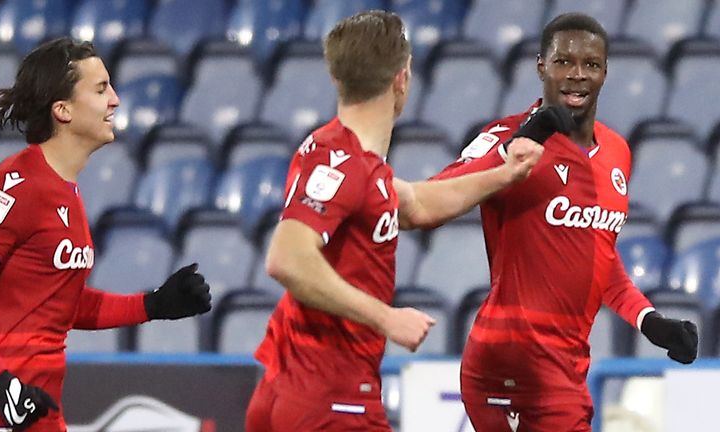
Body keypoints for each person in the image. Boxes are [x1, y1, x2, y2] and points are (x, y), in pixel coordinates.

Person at [244, 10, 572, 431]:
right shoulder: (343, 163)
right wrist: (386, 317)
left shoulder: (342, 154)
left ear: (336, 78)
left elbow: (416, 203)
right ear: (403, 78)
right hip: (331, 399)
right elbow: (287, 258)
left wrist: (505, 174)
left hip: (291, 388)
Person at [431, 13, 699, 431]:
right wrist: (518, 144)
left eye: (590, 65)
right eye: (563, 62)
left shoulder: (617, 153)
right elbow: (437, 193)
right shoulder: (509, 135)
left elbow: (598, 257)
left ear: (606, 72)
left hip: (564, 365)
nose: (577, 76)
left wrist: (649, 321)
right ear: (541, 66)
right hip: (512, 360)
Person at [0, 38, 212, 431]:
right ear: (63, 110)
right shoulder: (19, 183)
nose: (116, 100)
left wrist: (153, 305)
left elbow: (59, 300)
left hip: (40, 409)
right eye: (101, 88)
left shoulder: (66, 190)